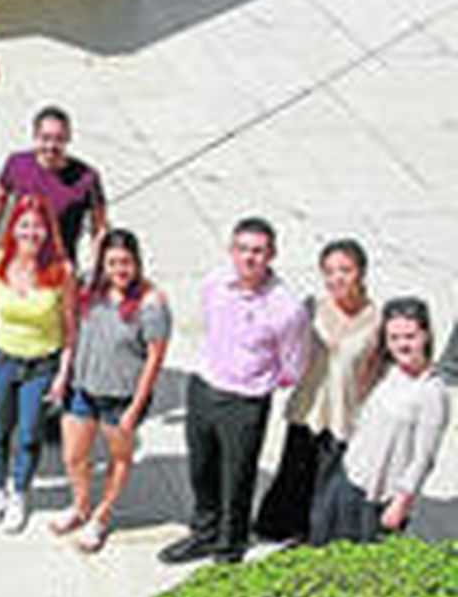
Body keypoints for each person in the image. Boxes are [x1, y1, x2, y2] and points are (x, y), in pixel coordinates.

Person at [160, 217, 310, 565]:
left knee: (237, 476)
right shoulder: (215, 283)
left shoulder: (286, 307)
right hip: (204, 386)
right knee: (201, 469)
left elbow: (295, 364)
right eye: (242, 249)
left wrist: (259, 382)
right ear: (231, 251)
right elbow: (210, 325)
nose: (249, 258)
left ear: (272, 254)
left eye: (258, 251)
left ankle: (230, 546)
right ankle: (205, 532)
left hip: (245, 401)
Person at [51, 229, 171, 552]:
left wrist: (136, 407)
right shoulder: (89, 287)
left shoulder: (151, 303)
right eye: (112, 262)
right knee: (73, 456)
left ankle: (101, 516)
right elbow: (72, 329)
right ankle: (80, 506)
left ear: (137, 263)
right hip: (82, 388)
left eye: (126, 262)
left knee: (119, 458)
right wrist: (65, 373)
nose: (120, 269)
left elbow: (155, 360)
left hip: (121, 398)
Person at [255, 240, 380, 544]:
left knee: (328, 481)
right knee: (295, 471)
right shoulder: (311, 308)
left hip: (344, 412)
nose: (337, 278)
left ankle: (316, 535)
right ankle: (281, 526)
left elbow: (376, 371)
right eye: (330, 271)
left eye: (345, 270)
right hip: (308, 406)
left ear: (361, 272)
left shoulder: (378, 319)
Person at [0, 196, 77, 535]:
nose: (31, 232)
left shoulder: (62, 272)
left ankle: (19, 493)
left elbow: (71, 326)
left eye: (38, 226)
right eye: (25, 224)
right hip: (2, 358)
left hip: (41, 364)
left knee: (30, 434)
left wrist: (63, 373)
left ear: (48, 231)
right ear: (13, 227)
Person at [310, 297, 449, 546]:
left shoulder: (432, 393)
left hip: (380, 497)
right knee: (322, 550)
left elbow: (423, 459)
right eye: (394, 338)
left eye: (410, 336)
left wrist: (401, 504)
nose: (402, 345)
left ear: (426, 336)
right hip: (348, 478)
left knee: (359, 570)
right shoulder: (389, 371)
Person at [0, 106, 106, 263]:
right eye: (45, 138)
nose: (51, 146)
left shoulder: (87, 178)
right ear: (35, 136)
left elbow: (99, 229)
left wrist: (97, 268)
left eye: (58, 139)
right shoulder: (17, 164)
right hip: (17, 263)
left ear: (68, 137)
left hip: (59, 268)